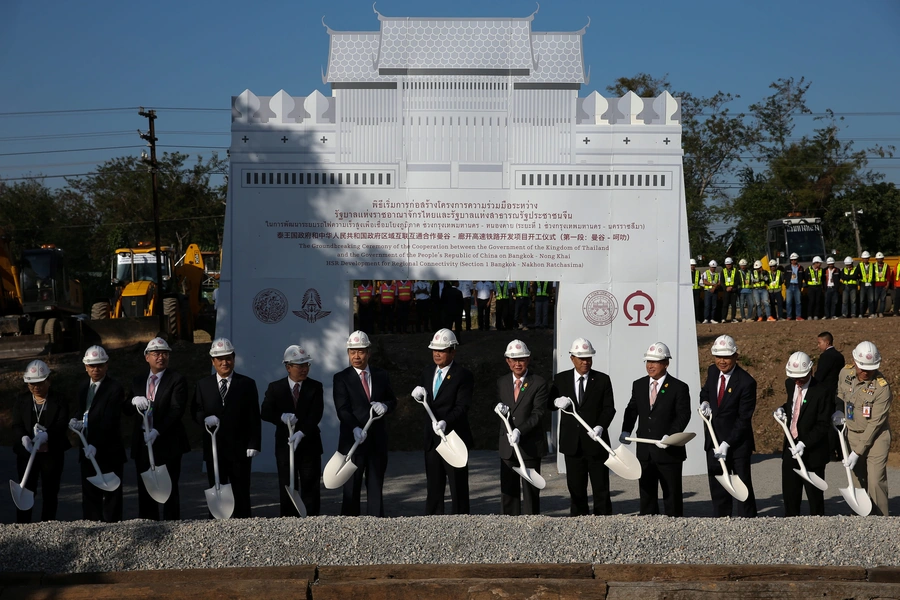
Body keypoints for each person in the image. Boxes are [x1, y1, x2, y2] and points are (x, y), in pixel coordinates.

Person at [620, 342, 691, 516]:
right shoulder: (639, 385)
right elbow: (632, 409)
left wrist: (670, 435)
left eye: (655, 362)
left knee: (671, 494)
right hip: (645, 450)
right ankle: (648, 527)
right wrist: (626, 430)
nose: (650, 366)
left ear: (666, 363)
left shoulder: (678, 387)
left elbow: (683, 415)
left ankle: (674, 526)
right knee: (646, 494)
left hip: (669, 451)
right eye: (648, 361)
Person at [192, 338, 261, 518]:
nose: (225, 362)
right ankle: (217, 525)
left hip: (240, 449)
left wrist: (254, 443)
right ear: (213, 361)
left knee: (241, 491)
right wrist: (204, 419)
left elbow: (254, 415)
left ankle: (243, 524)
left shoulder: (246, 384)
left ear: (234, 358)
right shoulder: (203, 385)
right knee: (216, 488)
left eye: (228, 358)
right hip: (215, 448)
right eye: (220, 359)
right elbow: (196, 410)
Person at [333, 330, 397, 516]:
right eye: (352, 352)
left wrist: (385, 406)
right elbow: (342, 408)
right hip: (353, 441)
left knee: (375, 484)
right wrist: (354, 428)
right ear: (348, 353)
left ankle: (376, 525)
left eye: (360, 351)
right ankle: (350, 525)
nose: (356, 356)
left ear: (368, 352)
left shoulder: (381, 375)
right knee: (351, 487)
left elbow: (392, 400)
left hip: (376, 440)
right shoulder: (341, 378)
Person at [411, 328, 474, 515]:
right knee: (434, 486)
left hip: (454, 438)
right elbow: (426, 400)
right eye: (434, 350)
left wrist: (446, 421)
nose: (437, 354)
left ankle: (461, 522)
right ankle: (433, 523)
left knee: (458, 487)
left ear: (453, 351)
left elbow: (462, 406)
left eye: (442, 350)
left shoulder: (463, 375)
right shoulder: (427, 372)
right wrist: (417, 396)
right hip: (432, 440)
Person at [550, 338, 615, 516]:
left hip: (596, 443)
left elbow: (609, 408)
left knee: (601, 487)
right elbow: (549, 403)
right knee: (576, 488)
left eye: (588, 358)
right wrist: (556, 401)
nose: (585, 362)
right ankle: (578, 522)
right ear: (572, 358)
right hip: (572, 444)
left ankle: (603, 521)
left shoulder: (602, 379)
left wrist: (601, 426)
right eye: (581, 358)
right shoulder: (561, 379)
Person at [128, 337, 190, 521]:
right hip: (142, 443)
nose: (160, 357)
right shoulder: (138, 381)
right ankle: (147, 524)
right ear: (147, 357)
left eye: (164, 353)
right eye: (155, 354)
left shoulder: (176, 380)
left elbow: (176, 409)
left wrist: (158, 430)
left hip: (167, 442)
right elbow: (126, 407)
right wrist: (132, 401)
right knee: (145, 487)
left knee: (169, 488)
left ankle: (172, 525)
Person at [261, 345, 324, 517]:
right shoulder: (276, 388)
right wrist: (280, 417)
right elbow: (265, 411)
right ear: (288, 367)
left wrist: (302, 432)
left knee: (310, 485)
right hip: (284, 445)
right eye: (299, 366)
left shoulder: (315, 387)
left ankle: (311, 519)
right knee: (287, 484)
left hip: (309, 443)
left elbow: (316, 414)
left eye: (306, 365)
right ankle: (288, 521)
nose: (304, 369)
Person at [699, 334, 757, 517]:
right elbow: (706, 391)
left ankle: (748, 522)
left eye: (726, 357)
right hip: (714, 439)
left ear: (735, 356)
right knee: (717, 485)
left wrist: (727, 443)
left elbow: (743, 418)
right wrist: (705, 402)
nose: (721, 361)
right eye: (718, 357)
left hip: (737, 444)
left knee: (742, 486)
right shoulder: (712, 371)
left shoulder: (746, 382)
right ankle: (721, 520)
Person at [833, 341, 892, 516]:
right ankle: (861, 518)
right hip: (852, 434)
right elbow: (841, 394)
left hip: (876, 438)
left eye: (870, 368)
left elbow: (875, 424)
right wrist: (837, 411)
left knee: (875, 481)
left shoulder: (882, 389)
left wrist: (857, 452)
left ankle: (882, 520)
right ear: (854, 360)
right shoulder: (845, 373)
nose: (866, 372)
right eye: (862, 367)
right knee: (857, 480)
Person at [71, 346, 127, 522]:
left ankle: (113, 529)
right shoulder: (81, 387)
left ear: (107, 365)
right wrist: (75, 420)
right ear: (86, 367)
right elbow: (81, 410)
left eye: (100, 365)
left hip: (108, 450)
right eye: (92, 366)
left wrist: (95, 443)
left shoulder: (115, 388)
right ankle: (92, 529)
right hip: (86, 447)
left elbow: (109, 420)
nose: (96, 369)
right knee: (89, 495)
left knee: (112, 495)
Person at [11, 360, 69, 523]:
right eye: (32, 383)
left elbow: (61, 423)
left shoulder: (59, 399)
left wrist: (47, 435)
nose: (36, 387)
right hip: (27, 454)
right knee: (26, 489)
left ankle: (48, 525)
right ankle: (23, 526)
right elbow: (17, 424)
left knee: (50, 491)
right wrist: (23, 437)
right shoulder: (21, 400)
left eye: (40, 383)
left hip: (51, 454)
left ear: (48, 381)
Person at [496, 339, 548, 515]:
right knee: (509, 493)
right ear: (508, 361)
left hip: (529, 445)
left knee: (530, 493)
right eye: (514, 360)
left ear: (528, 360)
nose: (518, 363)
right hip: (508, 446)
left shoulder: (538, 383)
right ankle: (509, 529)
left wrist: (520, 430)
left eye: (522, 359)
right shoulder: (502, 382)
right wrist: (499, 409)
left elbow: (538, 413)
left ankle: (532, 528)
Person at [775, 352, 831, 516]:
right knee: (790, 495)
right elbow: (793, 406)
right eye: (795, 378)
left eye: (801, 378)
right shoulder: (790, 384)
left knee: (814, 498)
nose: (798, 382)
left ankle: (817, 528)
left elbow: (823, 424)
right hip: (790, 448)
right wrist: (782, 410)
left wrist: (804, 443)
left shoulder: (822, 391)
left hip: (813, 452)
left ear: (811, 371)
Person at [814, 331, 845, 397]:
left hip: (826, 392)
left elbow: (820, 375)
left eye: (819, 343)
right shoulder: (840, 356)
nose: (818, 345)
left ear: (827, 343)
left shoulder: (825, 356)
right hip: (837, 390)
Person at [783, 252, 805, 320]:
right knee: (788, 302)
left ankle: (798, 316)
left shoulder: (801, 268)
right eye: (792, 260)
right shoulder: (787, 268)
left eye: (795, 259)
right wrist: (786, 284)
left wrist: (801, 285)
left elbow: (803, 277)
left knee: (798, 302)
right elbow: (784, 276)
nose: (793, 261)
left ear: (797, 259)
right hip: (789, 286)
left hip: (797, 286)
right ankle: (789, 316)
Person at [873, 252, 893, 317]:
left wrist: (887, 285)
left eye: (880, 258)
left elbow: (888, 277)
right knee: (875, 300)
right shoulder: (873, 266)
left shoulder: (886, 266)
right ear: (876, 259)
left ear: (883, 259)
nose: (879, 260)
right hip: (876, 285)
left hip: (884, 285)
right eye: (878, 259)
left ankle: (881, 312)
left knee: (882, 300)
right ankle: (875, 312)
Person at [720, 257, 739, 323]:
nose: (728, 265)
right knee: (725, 305)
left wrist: (732, 287)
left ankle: (733, 318)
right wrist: (726, 288)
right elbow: (722, 281)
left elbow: (737, 281)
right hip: (726, 291)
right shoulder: (723, 271)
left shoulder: (735, 271)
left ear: (732, 264)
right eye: (727, 264)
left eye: (729, 264)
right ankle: (723, 318)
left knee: (733, 305)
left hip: (733, 290)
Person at [858, 251, 875, 317]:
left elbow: (874, 274)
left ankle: (871, 313)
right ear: (862, 259)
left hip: (870, 284)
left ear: (869, 258)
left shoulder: (872, 265)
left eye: (867, 258)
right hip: (863, 284)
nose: (865, 259)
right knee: (862, 300)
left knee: (871, 300)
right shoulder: (860, 265)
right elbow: (856, 274)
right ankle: (861, 314)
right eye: (864, 258)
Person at [690, 259, 703, 323]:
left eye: (693, 265)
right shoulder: (686, 273)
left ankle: (697, 319)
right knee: (690, 305)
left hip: (697, 290)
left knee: (697, 305)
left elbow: (700, 281)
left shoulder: (698, 272)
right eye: (691, 265)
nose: (692, 266)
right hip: (689, 291)